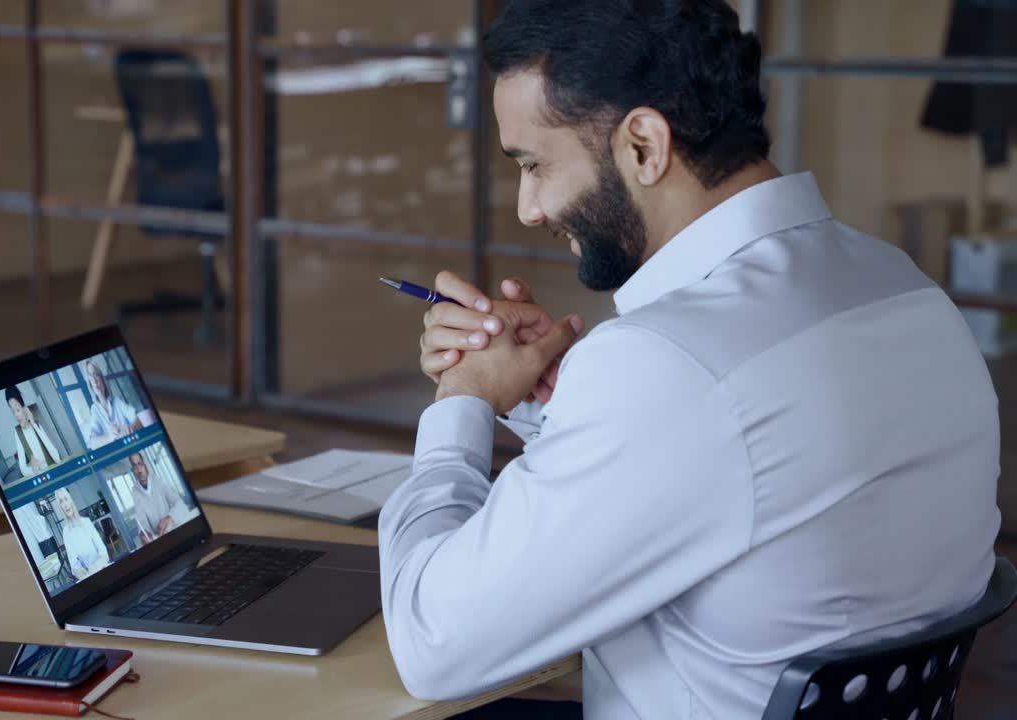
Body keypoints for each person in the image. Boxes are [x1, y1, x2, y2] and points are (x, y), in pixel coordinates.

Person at [378, 2, 1001, 719]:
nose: (529, 207)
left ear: (644, 145)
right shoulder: (906, 287)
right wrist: (547, 396)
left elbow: (432, 642)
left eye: (535, 165)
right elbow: (744, 469)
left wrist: (461, 400)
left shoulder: (670, 364)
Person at [127, 451, 189, 544]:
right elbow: (142, 520)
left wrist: (170, 518)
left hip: (174, 531)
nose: (139, 469)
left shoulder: (157, 480)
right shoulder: (135, 491)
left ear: (145, 465)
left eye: (140, 464)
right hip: (159, 539)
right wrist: (144, 534)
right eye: (134, 466)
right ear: (132, 470)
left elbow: (181, 504)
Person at [81, 359, 143, 449]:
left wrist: (131, 428)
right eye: (90, 377)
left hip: (133, 447)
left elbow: (139, 419)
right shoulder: (95, 409)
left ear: (102, 379)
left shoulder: (117, 401)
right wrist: (109, 437)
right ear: (89, 384)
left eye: (96, 375)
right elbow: (93, 443)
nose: (94, 381)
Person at [53, 487, 109, 581]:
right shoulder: (66, 532)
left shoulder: (86, 522)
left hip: (101, 569)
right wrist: (82, 574)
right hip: (88, 578)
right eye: (61, 501)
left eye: (66, 499)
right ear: (60, 507)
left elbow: (103, 552)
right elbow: (74, 566)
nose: (65, 505)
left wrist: (95, 567)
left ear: (71, 501)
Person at [5, 385, 61, 478]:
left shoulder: (36, 424)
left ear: (24, 409)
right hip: (39, 477)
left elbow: (57, 457)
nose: (16, 415)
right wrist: (34, 470)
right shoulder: (17, 432)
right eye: (13, 412)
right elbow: (23, 469)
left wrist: (34, 424)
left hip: (52, 473)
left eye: (18, 410)